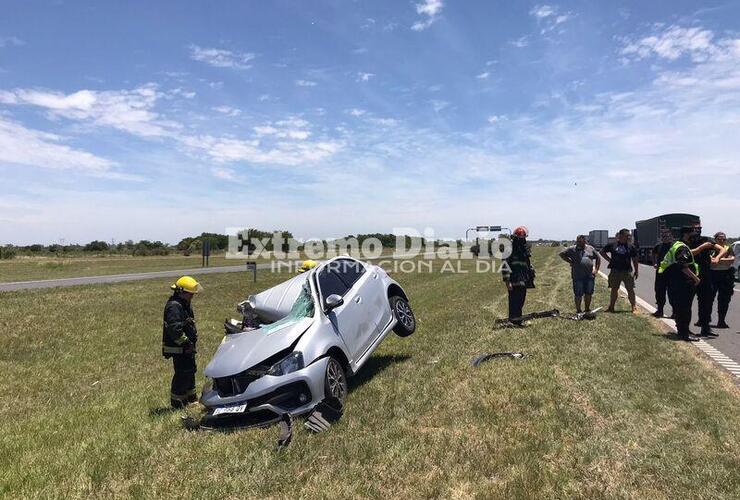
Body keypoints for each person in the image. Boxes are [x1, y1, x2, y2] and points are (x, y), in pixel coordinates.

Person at [162, 276, 202, 409]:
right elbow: (174, 330)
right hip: (179, 348)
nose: (192, 297)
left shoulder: (184, 303)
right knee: (182, 373)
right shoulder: (174, 307)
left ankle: (191, 399)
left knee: (190, 371)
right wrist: (186, 343)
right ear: (180, 292)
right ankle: (177, 403)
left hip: (187, 348)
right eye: (190, 294)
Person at [659, 226, 701, 341]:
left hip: (676, 282)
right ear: (686, 234)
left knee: (680, 309)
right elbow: (682, 265)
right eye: (693, 234)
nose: (695, 236)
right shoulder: (682, 247)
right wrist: (696, 278)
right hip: (682, 283)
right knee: (684, 310)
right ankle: (684, 334)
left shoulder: (677, 245)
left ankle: (683, 331)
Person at [689, 225, 726, 336]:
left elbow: (722, 249)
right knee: (686, 302)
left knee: (706, 302)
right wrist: (702, 247)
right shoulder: (686, 241)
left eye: (699, 228)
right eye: (695, 228)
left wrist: (718, 258)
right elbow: (688, 253)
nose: (698, 230)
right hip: (690, 275)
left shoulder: (706, 239)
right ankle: (684, 328)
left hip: (705, 274)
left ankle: (705, 327)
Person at [600, 228, 639, 313]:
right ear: (621, 235)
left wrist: (636, 270)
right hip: (615, 271)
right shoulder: (612, 245)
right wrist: (609, 260)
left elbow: (635, 259)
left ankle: (634, 307)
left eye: (629, 235)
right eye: (627, 235)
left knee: (630, 289)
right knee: (614, 289)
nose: (629, 237)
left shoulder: (631, 246)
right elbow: (602, 252)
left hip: (627, 271)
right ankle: (611, 307)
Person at [559, 235, 600, 313]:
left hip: (589, 276)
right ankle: (578, 310)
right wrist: (570, 262)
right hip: (577, 276)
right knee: (578, 294)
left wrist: (596, 269)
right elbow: (561, 254)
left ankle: (587, 309)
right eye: (578, 241)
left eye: (580, 241)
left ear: (585, 241)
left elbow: (598, 258)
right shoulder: (572, 249)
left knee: (588, 293)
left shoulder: (590, 248)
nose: (579, 243)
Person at [502, 226, 534, 326]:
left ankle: (518, 320)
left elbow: (527, 263)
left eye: (524, 238)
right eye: (521, 238)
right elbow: (505, 266)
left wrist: (530, 272)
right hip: (514, 278)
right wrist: (508, 281)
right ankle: (513, 321)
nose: (523, 240)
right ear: (516, 238)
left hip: (523, 278)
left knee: (521, 299)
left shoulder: (523, 249)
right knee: (514, 300)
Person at [710, 232, 735, 329]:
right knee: (708, 299)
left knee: (724, 300)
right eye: (719, 239)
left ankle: (721, 321)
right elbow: (710, 262)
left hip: (725, 276)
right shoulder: (710, 249)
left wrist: (717, 260)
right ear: (715, 239)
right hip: (712, 275)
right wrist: (723, 260)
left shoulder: (728, 248)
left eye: (723, 239)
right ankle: (704, 320)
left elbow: (731, 260)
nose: (721, 241)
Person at [652, 230, 674, 317]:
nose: (665, 238)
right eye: (663, 236)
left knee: (672, 293)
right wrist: (654, 263)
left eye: (667, 236)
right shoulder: (658, 246)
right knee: (659, 291)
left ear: (671, 237)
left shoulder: (674, 246)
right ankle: (660, 310)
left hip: (672, 273)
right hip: (661, 272)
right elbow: (653, 254)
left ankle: (674, 312)